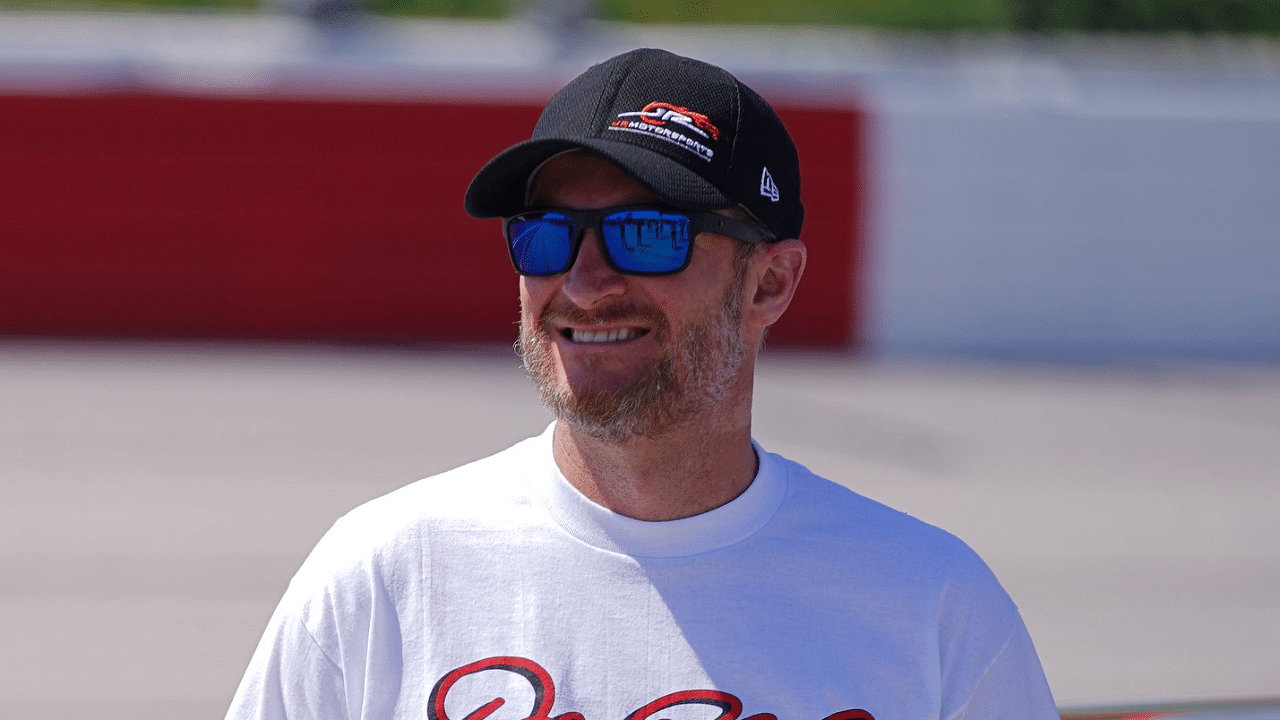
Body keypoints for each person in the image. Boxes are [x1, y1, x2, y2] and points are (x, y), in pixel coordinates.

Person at [225, 48, 1058, 720]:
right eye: (546, 235)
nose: (584, 285)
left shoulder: (932, 607)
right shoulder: (384, 575)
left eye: (645, 234)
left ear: (769, 283)